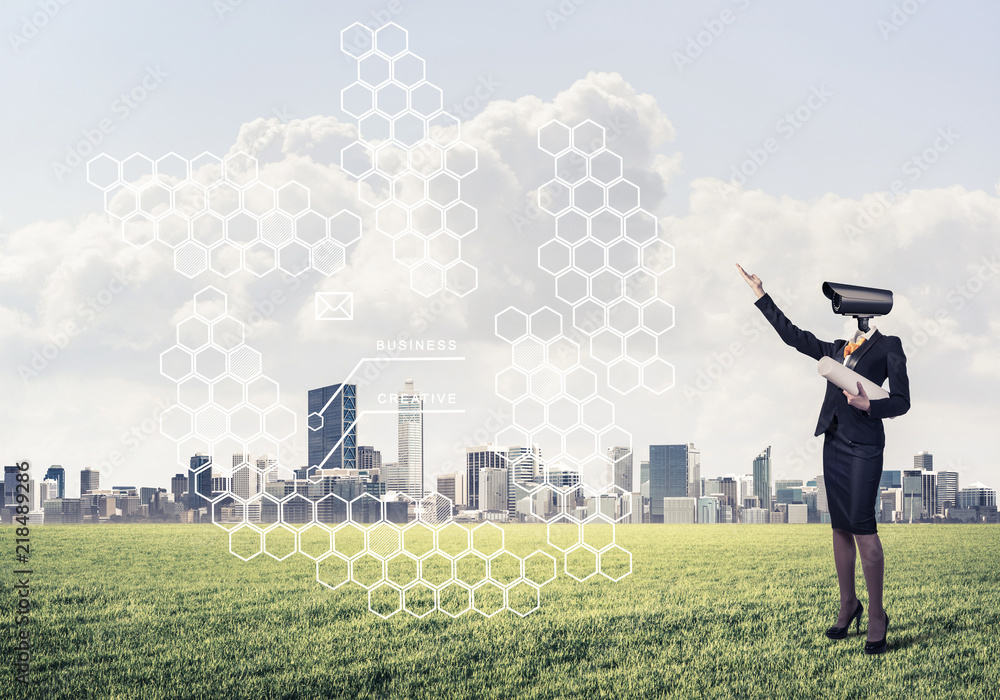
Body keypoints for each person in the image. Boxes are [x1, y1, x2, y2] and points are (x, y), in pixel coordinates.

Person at [736, 263, 910, 654]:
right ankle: (849, 603)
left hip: (864, 448)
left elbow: (902, 401)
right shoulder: (836, 349)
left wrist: (869, 405)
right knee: (840, 527)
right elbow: (793, 337)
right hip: (833, 444)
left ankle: (878, 614)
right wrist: (762, 295)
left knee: (864, 530)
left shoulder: (890, 346)